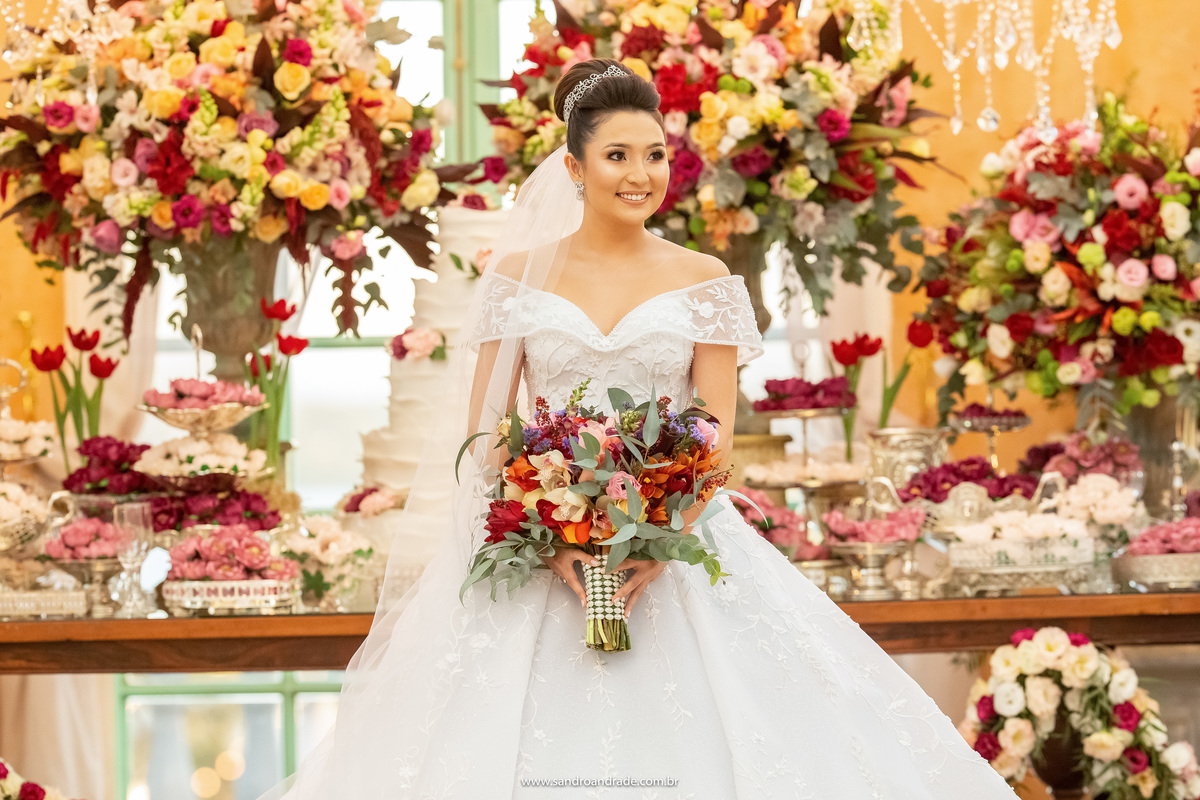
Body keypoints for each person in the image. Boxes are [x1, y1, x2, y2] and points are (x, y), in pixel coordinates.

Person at [260, 58, 1018, 799]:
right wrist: (550, 530)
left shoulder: (705, 280)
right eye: (617, 155)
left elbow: (715, 434)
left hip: (678, 542)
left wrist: (662, 535)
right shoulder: (515, 278)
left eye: (655, 155)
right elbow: (489, 435)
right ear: (574, 166)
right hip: (544, 552)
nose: (640, 174)